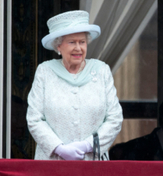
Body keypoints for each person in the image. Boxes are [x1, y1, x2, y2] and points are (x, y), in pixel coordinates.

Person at [27, 10, 123, 160]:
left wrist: (87, 145)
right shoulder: (45, 72)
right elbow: (34, 118)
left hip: (93, 163)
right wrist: (59, 148)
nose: (78, 48)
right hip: (53, 164)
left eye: (82, 42)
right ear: (58, 46)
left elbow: (115, 118)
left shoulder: (101, 70)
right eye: (72, 42)